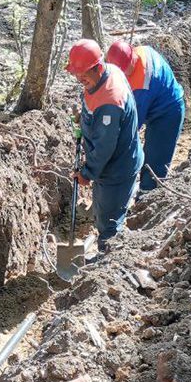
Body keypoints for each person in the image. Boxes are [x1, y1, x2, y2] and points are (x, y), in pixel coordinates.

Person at [65, 39, 143, 251]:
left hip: (117, 168)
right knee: (102, 208)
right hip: (109, 165)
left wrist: (87, 173)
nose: (80, 80)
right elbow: (92, 101)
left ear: (98, 67)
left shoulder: (110, 101)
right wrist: (86, 117)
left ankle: (106, 260)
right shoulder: (108, 72)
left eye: (84, 76)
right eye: (76, 75)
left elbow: (104, 147)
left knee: (108, 223)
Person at [105, 40, 186, 193]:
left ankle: (146, 196)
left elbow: (131, 126)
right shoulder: (138, 51)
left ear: (132, 61)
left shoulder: (143, 84)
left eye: (124, 71)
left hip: (168, 113)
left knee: (154, 162)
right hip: (156, 101)